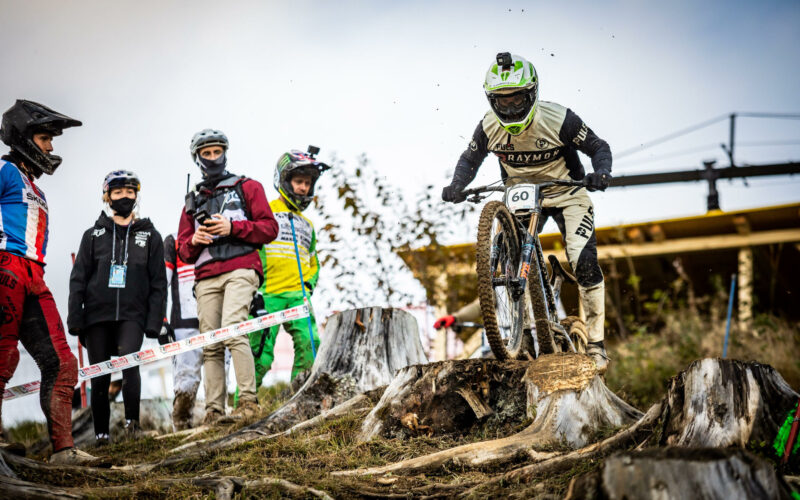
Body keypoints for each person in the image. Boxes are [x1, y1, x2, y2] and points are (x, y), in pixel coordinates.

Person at [441, 52, 613, 372]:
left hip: (567, 192)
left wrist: (601, 171)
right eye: (501, 102)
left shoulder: (559, 119)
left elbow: (598, 146)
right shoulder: (489, 126)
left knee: (583, 259)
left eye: (516, 99)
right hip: (521, 196)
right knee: (507, 264)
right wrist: (456, 184)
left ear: (532, 93)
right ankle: (527, 328)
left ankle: (597, 343)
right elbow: (469, 160)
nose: (509, 108)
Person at [0, 99, 103, 465]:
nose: (51, 147)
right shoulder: (5, 171)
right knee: (3, 355)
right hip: (6, 266)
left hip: (34, 274)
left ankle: (63, 450)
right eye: (45, 138)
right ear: (24, 137)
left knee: (62, 364)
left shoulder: (34, 187)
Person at [177, 129, 278, 424]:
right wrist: (195, 239)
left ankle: (247, 403)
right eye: (206, 153)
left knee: (234, 329)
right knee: (210, 343)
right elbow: (183, 251)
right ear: (197, 158)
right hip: (206, 277)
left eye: (216, 151)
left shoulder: (249, 186)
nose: (212, 157)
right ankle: (213, 412)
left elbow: (269, 229)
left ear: (225, 152)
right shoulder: (191, 201)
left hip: (242, 269)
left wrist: (233, 228)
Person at [68, 171, 166, 445]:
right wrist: (75, 318)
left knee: (130, 364)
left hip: (132, 316)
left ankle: (133, 427)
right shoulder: (92, 235)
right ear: (107, 196)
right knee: (99, 373)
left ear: (136, 195)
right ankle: (101, 435)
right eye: (118, 192)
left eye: (129, 191)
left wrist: (154, 321)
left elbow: (159, 282)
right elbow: (78, 279)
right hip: (96, 317)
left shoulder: (150, 235)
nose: (124, 196)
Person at [247, 149, 328, 393]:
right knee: (261, 353)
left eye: (307, 183)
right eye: (298, 181)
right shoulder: (266, 211)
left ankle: (299, 398)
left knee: (310, 343)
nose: (303, 188)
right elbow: (253, 249)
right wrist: (254, 287)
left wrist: (309, 285)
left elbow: (314, 261)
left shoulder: (308, 224)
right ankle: (244, 403)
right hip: (268, 294)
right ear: (284, 180)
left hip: (298, 296)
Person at [161, 232, 202, 431]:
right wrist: (161, 320)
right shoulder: (174, 241)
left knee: (221, 374)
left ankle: (217, 420)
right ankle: (181, 427)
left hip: (216, 320)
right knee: (186, 380)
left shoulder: (219, 231)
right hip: (183, 324)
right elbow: (161, 283)